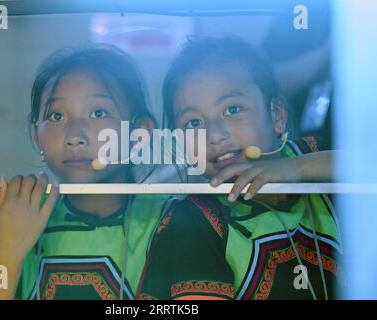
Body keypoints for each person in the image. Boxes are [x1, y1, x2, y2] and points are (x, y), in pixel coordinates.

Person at [138, 36, 344, 300]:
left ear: (277, 116)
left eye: (233, 109)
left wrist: (296, 169)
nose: (214, 135)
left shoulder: (316, 158)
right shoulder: (193, 220)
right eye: (193, 123)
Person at [0, 45, 168, 300]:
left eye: (98, 113)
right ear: (36, 137)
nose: (74, 136)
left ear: (140, 135)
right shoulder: (20, 217)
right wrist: (6, 256)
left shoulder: (171, 221)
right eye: (57, 115)